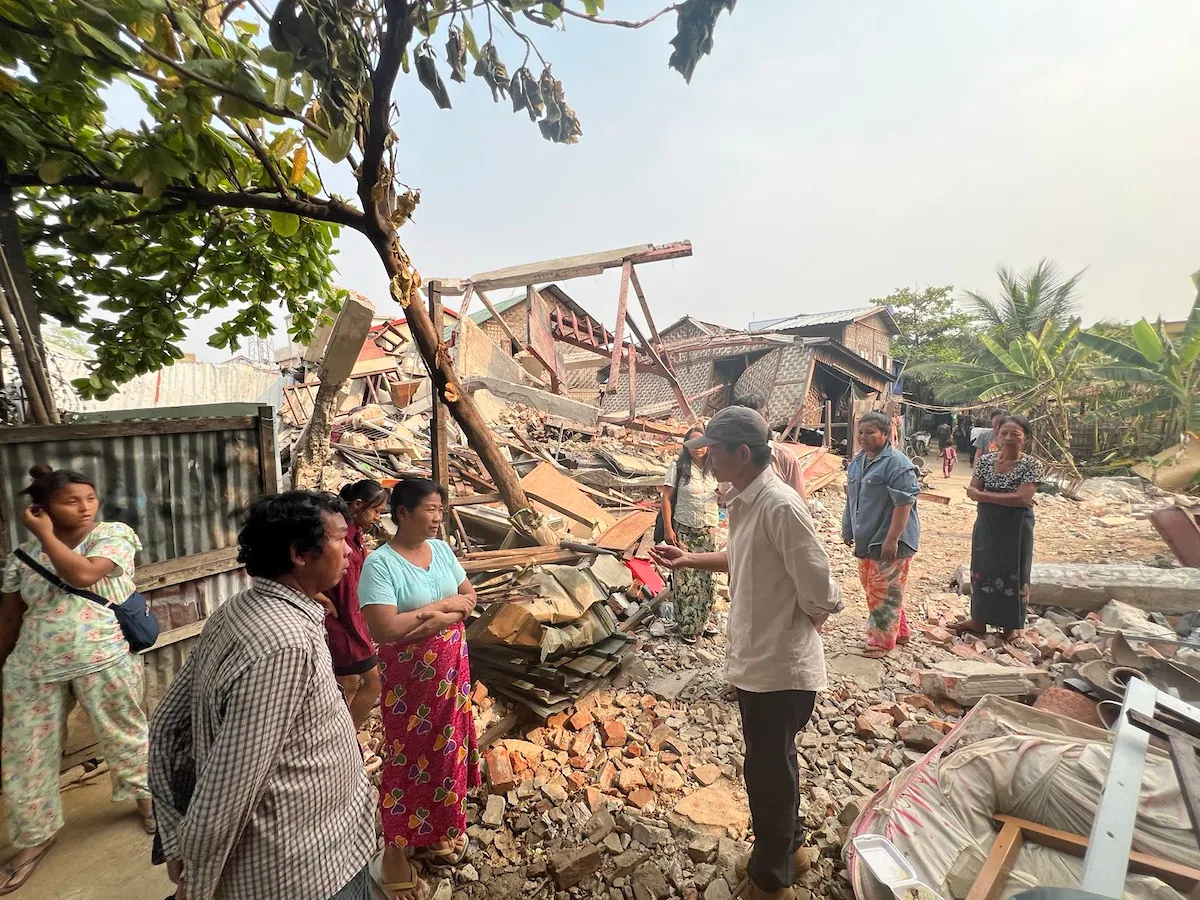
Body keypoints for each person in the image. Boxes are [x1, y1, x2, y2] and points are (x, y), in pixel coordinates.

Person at [652, 407, 843, 900]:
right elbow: (742, 558)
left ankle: (770, 881)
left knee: (768, 775)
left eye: (713, 451)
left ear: (741, 453)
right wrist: (689, 558)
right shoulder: (747, 501)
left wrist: (800, 626)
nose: (707, 460)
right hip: (759, 662)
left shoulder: (779, 505)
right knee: (773, 764)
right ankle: (792, 851)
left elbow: (822, 590)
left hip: (779, 668)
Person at [148, 492, 376, 900]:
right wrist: (195, 879)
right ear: (299, 554)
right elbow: (229, 786)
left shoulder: (238, 608)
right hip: (307, 869)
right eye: (340, 539)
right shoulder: (285, 643)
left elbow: (166, 725)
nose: (349, 551)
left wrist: (175, 835)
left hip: (318, 846)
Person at [0, 466, 153, 894]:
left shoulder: (113, 535)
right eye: (72, 501)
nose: (86, 508)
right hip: (32, 668)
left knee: (125, 735)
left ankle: (149, 803)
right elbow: (10, 617)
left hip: (103, 658)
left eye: (91, 498)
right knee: (25, 754)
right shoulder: (22, 557)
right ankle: (34, 838)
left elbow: (83, 575)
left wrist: (46, 536)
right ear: (44, 508)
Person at [357, 478, 480, 900]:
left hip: (452, 676)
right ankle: (394, 852)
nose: (437, 517)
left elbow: (469, 597)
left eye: (440, 510)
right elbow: (384, 628)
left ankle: (436, 830)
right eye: (430, 509)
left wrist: (434, 618)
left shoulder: (442, 550)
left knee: (447, 751)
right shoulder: (381, 564)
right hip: (410, 684)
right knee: (409, 758)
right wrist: (441, 610)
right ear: (402, 512)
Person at [957, 415, 1044, 639]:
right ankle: (978, 620)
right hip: (987, 523)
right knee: (982, 569)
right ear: (996, 436)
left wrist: (984, 495)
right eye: (1004, 433)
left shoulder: (1032, 465)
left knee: (1015, 571)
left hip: (1016, 526)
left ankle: (1011, 626)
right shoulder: (985, 461)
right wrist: (1006, 497)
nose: (1008, 438)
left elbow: (1022, 498)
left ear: (1025, 438)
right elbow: (972, 492)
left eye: (1015, 434)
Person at [842, 412, 921, 656]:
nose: (863, 437)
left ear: (885, 435)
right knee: (877, 587)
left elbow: (904, 504)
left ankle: (881, 642)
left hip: (890, 539)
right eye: (860, 432)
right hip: (867, 537)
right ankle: (900, 631)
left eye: (870, 432)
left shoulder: (898, 464)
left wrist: (892, 540)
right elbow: (851, 499)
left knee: (882, 590)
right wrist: (847, 528)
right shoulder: (857, 462)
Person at [322, 480, 387, 730]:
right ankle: (345, 736)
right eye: (376, 511)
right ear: (358, 505)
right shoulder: (344, 540)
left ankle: (339, 735)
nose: (378, 518)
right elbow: (347, 597)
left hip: (345, 616)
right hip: (342, 621)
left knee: (347, 682)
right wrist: (364, 637)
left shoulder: (355, 533)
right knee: (370, 682)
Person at [660, 426, 720, 643]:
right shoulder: (678, 467)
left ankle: (702, 621)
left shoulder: (715, 468)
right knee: (685, 578)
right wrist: (668, 528)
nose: (699, 448)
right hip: (684, 529)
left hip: (708, 529)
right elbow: (666, 499)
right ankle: (687, 625)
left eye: (703, 444)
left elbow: (724, 495)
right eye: (694, 444)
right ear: (686, 446)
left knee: (706, 577)